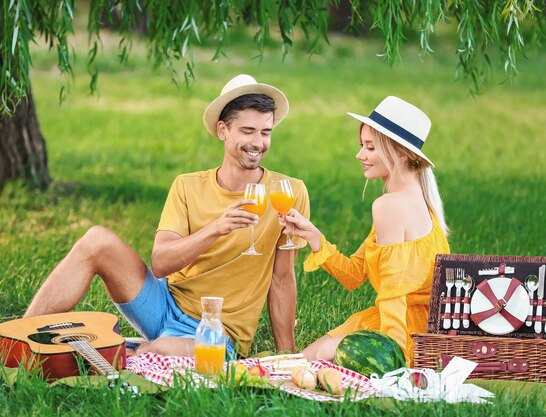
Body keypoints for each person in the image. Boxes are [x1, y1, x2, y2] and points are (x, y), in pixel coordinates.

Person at [24, 74, 310, 359]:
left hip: (216, 332)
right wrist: (217, 228)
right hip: (163, 305)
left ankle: (129, 351)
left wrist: (288, 356)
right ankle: (17, 339)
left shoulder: (287, 193)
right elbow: (160, 264)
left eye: (266, 132)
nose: (258, 142)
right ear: (223, 130)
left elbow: (282, 279)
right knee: (96, 240)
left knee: (156, 351)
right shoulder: (187, 186)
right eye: (248, 131)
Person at [280, 96, 449, 365]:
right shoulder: (422, 201)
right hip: (420, 327)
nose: (360, 155)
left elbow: (394, 293)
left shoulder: (389, 206)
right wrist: (314, 236)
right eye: (362, 146)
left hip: (404, 332)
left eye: (370, 148)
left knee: (301, 364)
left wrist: (393, 355)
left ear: (402, 153)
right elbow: (354, 275)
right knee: (303, 360)